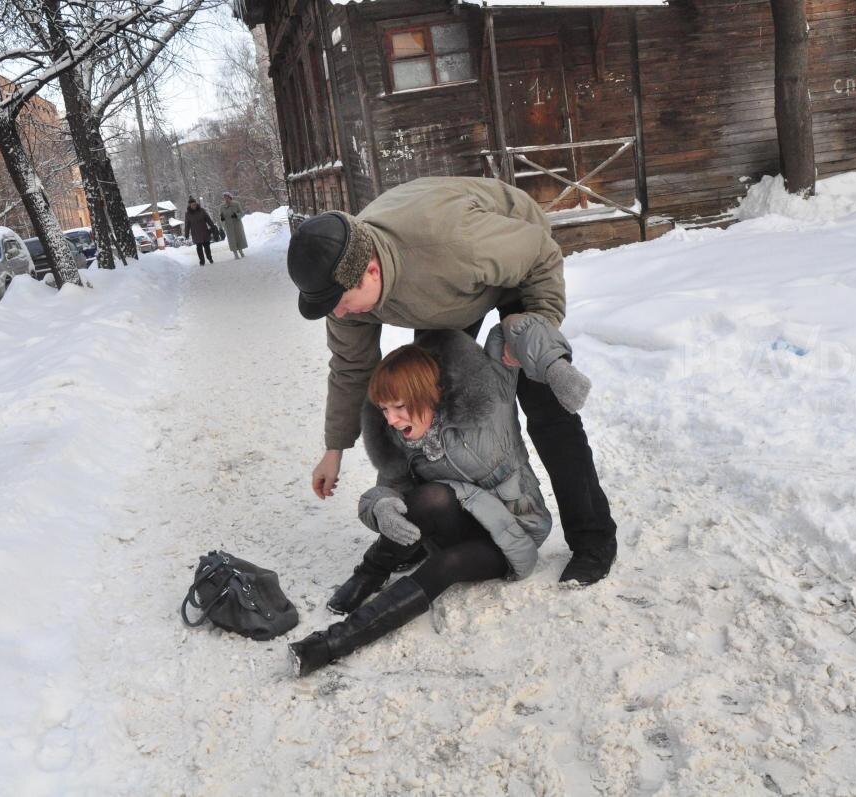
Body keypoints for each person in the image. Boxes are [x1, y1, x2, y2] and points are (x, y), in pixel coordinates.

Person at [286, 176, 617, 586]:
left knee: (548, 411)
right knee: (430, 413)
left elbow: (540, 254)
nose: (338, 315)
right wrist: (334, 448)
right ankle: (436, 526)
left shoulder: (455, 244)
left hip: (513, 260)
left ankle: (593, 538)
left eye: (339, 303)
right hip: (444, 301)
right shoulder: (344, 297)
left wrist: (536, 333)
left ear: (370, 272)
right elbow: (352, 369)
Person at [289, 328, 556, 676]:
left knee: (448, 563)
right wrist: (380, 507)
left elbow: (520, 329)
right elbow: (389, 490)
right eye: (384, 409)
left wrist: (558, 367)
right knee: (427, 497)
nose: (391, 419)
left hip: (513, 530)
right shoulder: (401, 440)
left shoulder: (491, 401)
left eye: (399, 407)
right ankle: (371, 571)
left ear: (429, 394)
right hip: (460, 521)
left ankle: (331, 643)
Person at [183, 196, 218, 266]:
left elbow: (208, 219)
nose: (194, 206)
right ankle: (202, 261)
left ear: (196, 203)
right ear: (189, 205)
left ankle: (210, 258)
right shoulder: (188, 214)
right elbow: (187, 225)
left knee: (207, 246)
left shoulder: (202, 210)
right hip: (196, 233)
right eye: (192, 205)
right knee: (199, 248)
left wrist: (212, 226)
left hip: (204, 231)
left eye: (194, 204)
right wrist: (186, 234)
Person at [217, 192, 247, 259]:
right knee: (232, 240)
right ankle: (235, 253)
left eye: (227, 197)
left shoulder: (236, 204)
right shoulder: (222, 207)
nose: (226, 199)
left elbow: (242, 213)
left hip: (237, 224)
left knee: (239, 238)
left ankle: (241, 251)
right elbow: (220, 216)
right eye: (224, 198)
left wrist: (236, 215)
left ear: (230, 197)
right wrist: (222, 218)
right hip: (228, 225)